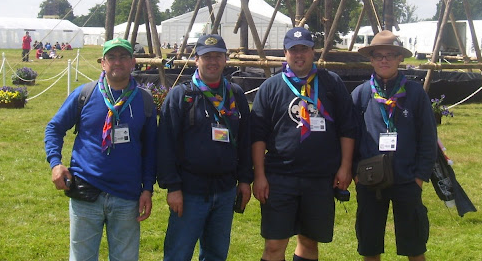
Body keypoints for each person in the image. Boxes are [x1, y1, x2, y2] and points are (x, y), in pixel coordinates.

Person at [44, 37, 157, 261]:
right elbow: (54, 128)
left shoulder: (144, 101)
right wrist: (55, 163)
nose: (118, 62)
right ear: (103, 63)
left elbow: (151, 149)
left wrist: (147, 189)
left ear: (133, 62)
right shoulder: (84, 94)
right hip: (86, 192)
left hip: (127, 196)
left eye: (123, 57)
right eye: (111, 57)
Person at [251, 27, 357, 261]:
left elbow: (347, 128)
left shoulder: (331, 83)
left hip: (320, 178)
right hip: (279, 178)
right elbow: (257, 136)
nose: (299, 55)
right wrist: (259, 176)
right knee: (274, 245)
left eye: (304, 49)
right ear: (285, 53)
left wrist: (345, 167)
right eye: (294, 50)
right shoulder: (271, 87)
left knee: (309, 243)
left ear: (313, 52)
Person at [157, 34, 252, 261]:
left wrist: (245, 180)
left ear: (225, 59)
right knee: (178, 254)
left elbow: (246, 141)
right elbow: (165, 145)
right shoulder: (182, 95)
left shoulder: (235, 95)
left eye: (218, 56)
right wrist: (173, 187)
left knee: (216, 255)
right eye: (207, 56)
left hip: (225, 190)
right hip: (189, 192)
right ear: (196, 59)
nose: (212, 62)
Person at [352, 31, 437, 261]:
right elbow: (349, 138)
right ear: (371, 59)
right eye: (378, 56)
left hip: (407, 180)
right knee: (369, 247)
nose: (384, 60)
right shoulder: (361, 94)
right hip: (370, 181)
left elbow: (428, 138)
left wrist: (419, 177)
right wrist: (355, 175)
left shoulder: (415, 93)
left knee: (414, 247)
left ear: (400, 58)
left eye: (390, 55)